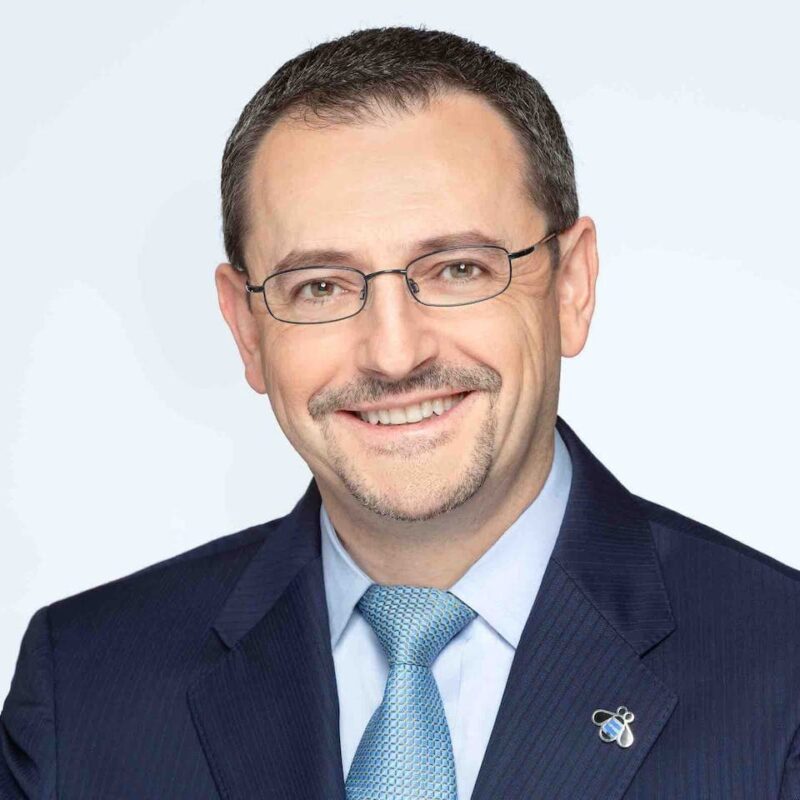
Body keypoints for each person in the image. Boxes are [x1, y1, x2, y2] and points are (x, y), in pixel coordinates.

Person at [2, 24, 799, 800]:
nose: (392, 354)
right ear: (246, 329)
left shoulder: (781, 671)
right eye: (320, 285)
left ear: (571, 287)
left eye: (457, 268)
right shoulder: (84, 686)